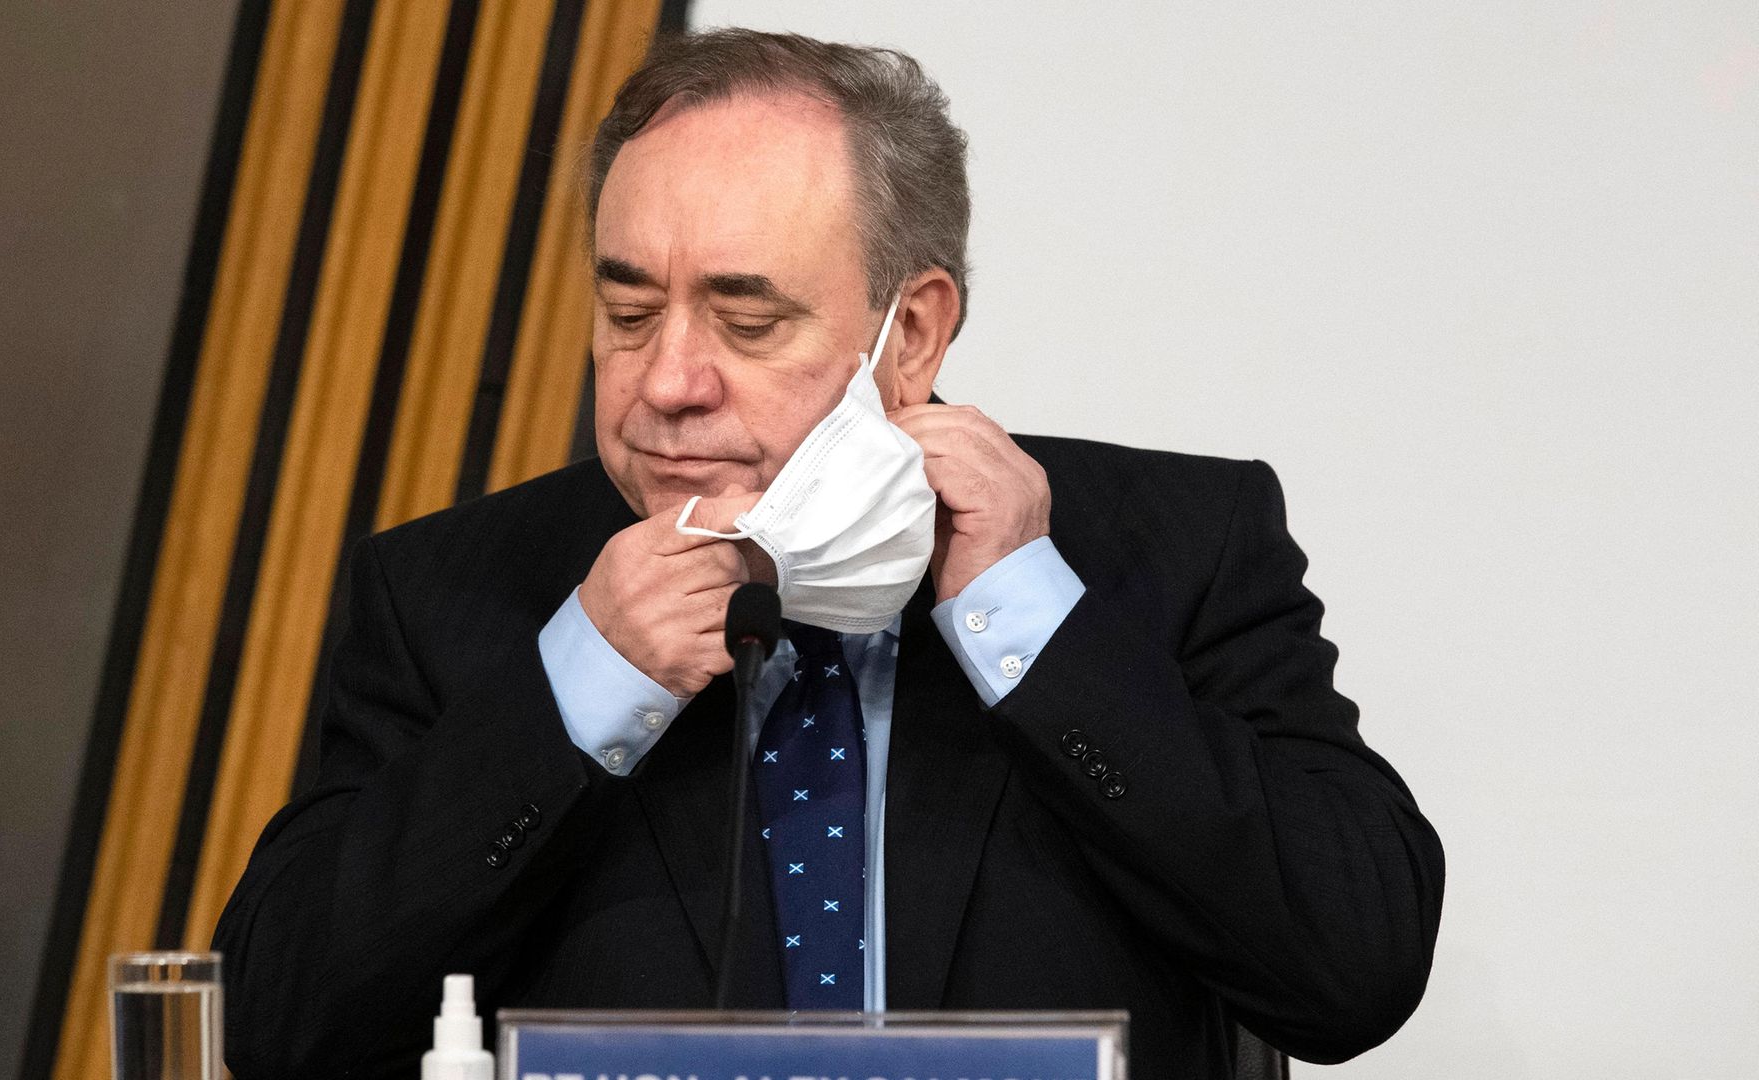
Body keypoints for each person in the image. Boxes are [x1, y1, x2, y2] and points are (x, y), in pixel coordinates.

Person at [214, 29, 1444, 1080]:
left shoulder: (1169, 548)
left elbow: (1354, 970)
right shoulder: (454, 590)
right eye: (629, 313)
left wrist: (1030, 619)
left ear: (911, 335)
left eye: (749, 321)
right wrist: (579, 687)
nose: (668, 385)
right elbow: (275, 1026)